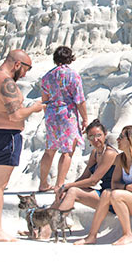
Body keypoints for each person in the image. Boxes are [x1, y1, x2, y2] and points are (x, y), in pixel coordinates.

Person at [0, 50, 46, 242]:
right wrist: (34, 108)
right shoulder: (6, 82)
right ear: (17, 64)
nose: (24, 74)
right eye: (25, 69)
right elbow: (15, 115)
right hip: (6, 136)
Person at [75, 126, 132, 246]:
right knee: (106, 192)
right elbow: (114, 183)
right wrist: (126, 187)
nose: (118, 139)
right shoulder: (119, 158)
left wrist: (123, 188)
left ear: (131, 141)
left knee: (115, 194)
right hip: (130, 197)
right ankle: (92, 235)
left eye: (121, 137)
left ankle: (128, 234)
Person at [38, 46, 88, 192]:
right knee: (67, 151)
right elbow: (79, 100)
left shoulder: (47, 77)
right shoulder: (73, 75)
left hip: (52, 114)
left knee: (49, 150)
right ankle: (59, 184)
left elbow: (44, 99)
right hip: (67, 114)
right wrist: (85, 118)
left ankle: (43, 183)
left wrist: (49, 114)